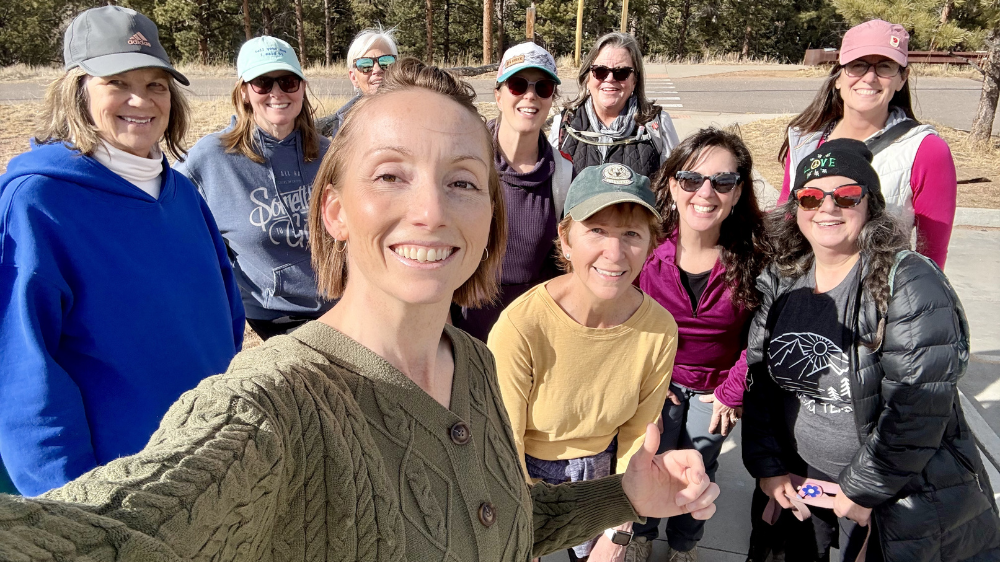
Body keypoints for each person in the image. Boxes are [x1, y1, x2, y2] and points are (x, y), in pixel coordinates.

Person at [0, 58, 721, 562]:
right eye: (391, 175)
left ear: (490, 220)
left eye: (463, 182)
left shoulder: (471, 360)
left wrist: (622, 495)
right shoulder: (268, 407)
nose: (431, 210)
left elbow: (495, 519)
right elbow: (111, 531)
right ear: (335, 210)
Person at [0, 6, 243, 497]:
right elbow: (24, 375)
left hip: (204, 470)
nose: (142, 99)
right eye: (117, 82)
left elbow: (225, 319)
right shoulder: (37, 202)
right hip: (114, 493)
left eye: (156, 84)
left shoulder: (182, 193)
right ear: (77, 91)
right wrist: (71, 509)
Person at [742, 138, 1000, 561]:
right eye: (810, 197)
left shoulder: (909, 282)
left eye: (845, 196)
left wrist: (863, 490)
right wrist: (767, 466)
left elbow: (917, 408)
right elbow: (760, 381)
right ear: (796, 209)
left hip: (888, 490)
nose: (827, 208)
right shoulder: (784, 275)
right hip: (804, 478)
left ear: (870, 204)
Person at [489, 163, 678, 561]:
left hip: (605, 473)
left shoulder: (660, 329)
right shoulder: (522, 325)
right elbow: (505, 441)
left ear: (649, 245)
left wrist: (619, 527)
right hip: (525, 472)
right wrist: (522, 521)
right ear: (566, 238)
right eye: (597, 230)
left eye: (631, 234)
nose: (614, 252)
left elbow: (636, 438)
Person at [632, 128, 768, 562]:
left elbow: (764, 333)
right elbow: (623, 323)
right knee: (649, 460)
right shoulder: (646, 250)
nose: (705, 192)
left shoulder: (754, 258)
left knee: (699, 469)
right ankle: (638, 535)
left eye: (722, 181)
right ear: (673, 184)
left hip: (717, 390)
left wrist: (733, 389)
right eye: (692, 179)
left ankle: (684, 544)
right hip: (659, 384)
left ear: (737, 191)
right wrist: (645, 382)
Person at [177, 36, 332, 340]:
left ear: (301, 87)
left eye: (288, 81)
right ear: (245, 91)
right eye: (263, 83)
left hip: (340, 301)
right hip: (277, 313)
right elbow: (165, 207)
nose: (277, 93)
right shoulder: (212, 157)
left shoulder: (328, 153)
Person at [777, 19, 957, 268]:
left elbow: (932, 253)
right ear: (838, 76)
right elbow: (785, 224)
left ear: (901, 79)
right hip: (807, 291)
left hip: (880, 297)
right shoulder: (804, 140)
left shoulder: (925, 150)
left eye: (885, 67)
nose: (870, 77)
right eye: (858, 65)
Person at [451, 41, 572, 341]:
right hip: (458, 335)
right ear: (498, 94)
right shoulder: (464, 159)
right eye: (518, 85)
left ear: (551, 99)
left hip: (528, 341)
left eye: (542, 87)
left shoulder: (565, 177)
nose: (530, 95)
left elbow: (568, 271)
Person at [548, 32, 679, 180]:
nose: (609, 79)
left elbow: (672, 189)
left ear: (635, 80)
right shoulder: (565, 125)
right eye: (600, 71)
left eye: (621, 72)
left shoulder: (657, 125)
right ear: (587, 77)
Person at [316, 26, 398, 138]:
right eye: (365, 64)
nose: (377, 70)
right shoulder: (341, 125)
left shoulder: (415, 114)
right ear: (353, 78)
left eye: (386, 62)